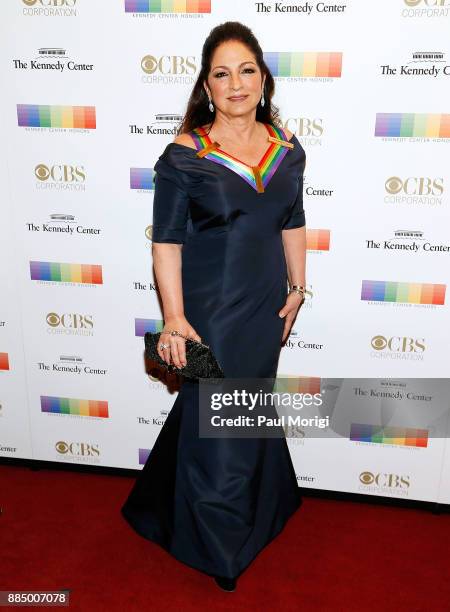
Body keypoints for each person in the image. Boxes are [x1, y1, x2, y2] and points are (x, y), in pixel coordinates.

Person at [121, 21, 307, 593]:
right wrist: (175, 318)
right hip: (210, 310)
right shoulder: (184, 156)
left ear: (263, 79)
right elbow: (167, 243)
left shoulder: (287, 148)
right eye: (222, 73)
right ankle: (220, 543)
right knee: (221, 415)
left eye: (246, 70)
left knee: (240, 405)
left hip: (264, 304)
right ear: (206, 85)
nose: (236, 84)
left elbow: (293, 221)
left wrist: (299, 287)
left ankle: (166, 500)